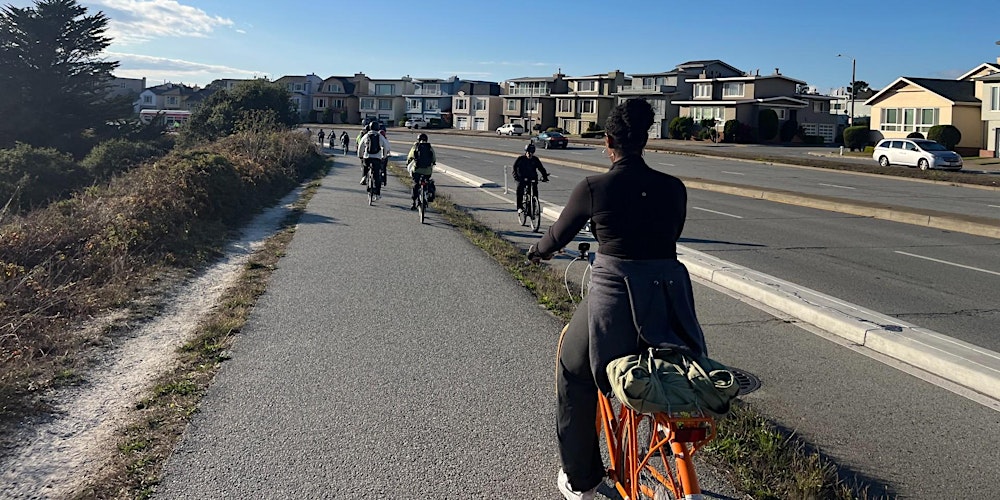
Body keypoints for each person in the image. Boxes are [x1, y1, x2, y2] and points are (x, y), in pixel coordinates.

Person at [526, 99, 708, 500]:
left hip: (615, 302)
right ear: (646, 141)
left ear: (608, 141)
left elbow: (557, 237)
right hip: (669, 304)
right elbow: (670, 235)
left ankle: (581, 481)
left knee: (574, 373)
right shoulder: (674, 188)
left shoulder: (594, 188)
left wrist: (537, 252)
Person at [512, 143, 549, 214]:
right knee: (520, 189)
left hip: (532, 177)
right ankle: (519, 207)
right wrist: (516, 177)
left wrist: (545, 176)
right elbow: (514, 168)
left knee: (534, 191)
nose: (529, 154)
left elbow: (541, 168)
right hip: (521, 177)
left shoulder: (535, 159)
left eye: (531, 153)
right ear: (525, 152)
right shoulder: (521, 159)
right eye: (528, 152)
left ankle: (533, 206)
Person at [357, 121, 391, 197]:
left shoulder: (366, 136)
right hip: (377, 158)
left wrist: (360, 156)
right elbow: (386, 147)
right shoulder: (380, 136)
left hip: (367, 157)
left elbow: (360, 147)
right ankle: (377, 193)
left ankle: (364, 177)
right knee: (377, 176)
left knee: (365, 165)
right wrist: (384, 156)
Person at [405, 133, 436, 210]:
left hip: (417, 170)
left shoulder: (416, 146)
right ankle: (427, 194)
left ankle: (414, 202)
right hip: (428, 171)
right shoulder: (429, 147)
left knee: (416, 184)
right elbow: (434, 158)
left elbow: (410, 157)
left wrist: (408, 163)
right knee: (427, 182)